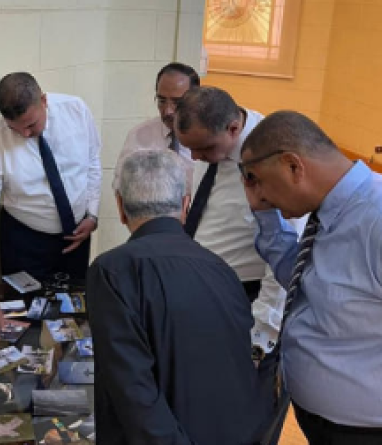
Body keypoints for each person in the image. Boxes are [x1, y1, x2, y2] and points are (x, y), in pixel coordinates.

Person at [241, 110, 382, 444]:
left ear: (293, 166)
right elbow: (301, 280)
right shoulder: (332, 212)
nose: (259, 194)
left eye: (258, 180)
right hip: (335, 427)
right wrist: (265, 216)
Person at [87, 149, 270, 445]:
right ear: (186, 205)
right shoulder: (221, 268)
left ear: (120, 207)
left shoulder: (113, 270)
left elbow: (132, 388)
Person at [0, 72, 102, 340]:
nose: (25, 134)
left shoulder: (76, 110)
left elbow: (93, 161)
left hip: (77, 238)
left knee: (73, 324)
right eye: (16, 129)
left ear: (44, 100)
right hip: (24, 243)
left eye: (31, 125)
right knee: (25, 328)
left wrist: (92, 214)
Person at [175, 86, 306, 359]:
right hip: (201, 284)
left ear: (234, 129)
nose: (195, 157)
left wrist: (261, 333)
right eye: (190, 149)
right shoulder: (211, 144)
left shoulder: (273, 156)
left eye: (203, 148)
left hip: (245, 296)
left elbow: (288, 256)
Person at [113, 62, 199, 193]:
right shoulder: (138, 135)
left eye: (177, 102)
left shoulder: (207, 139)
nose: (168, 111)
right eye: (162, 101)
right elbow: (120, 185)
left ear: (195, 99)